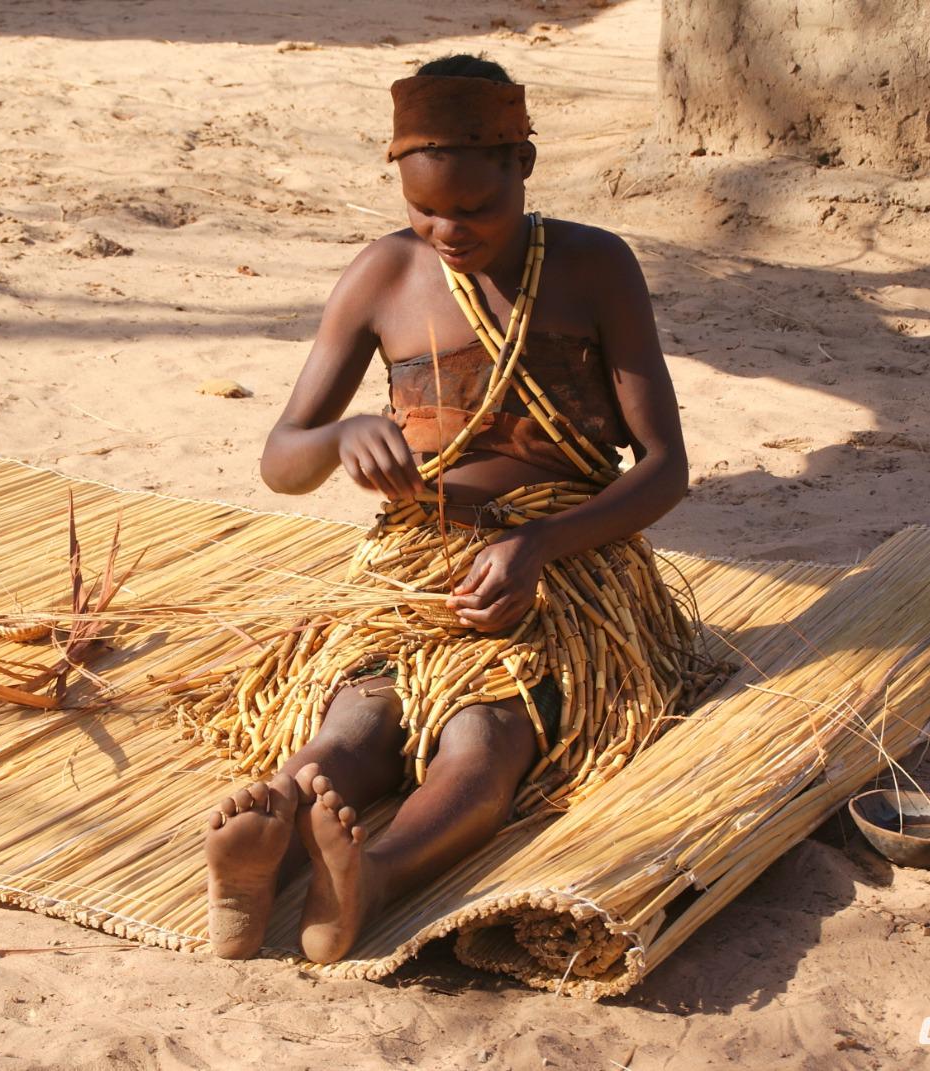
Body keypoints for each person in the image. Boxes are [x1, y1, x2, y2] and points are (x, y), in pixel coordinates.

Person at [179, 54, 715, 965]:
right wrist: (343, 434)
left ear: (524, 166)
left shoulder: (595, 267)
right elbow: (281, 461)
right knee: (359, 718)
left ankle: (374, 874)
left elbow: (664, 469)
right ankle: (272, 829)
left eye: (475, 208)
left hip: (566, 563)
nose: (448, 231)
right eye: (425, 209)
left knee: (485, 732)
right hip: (419, 562)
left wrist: (541, 544)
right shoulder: (385, 273)